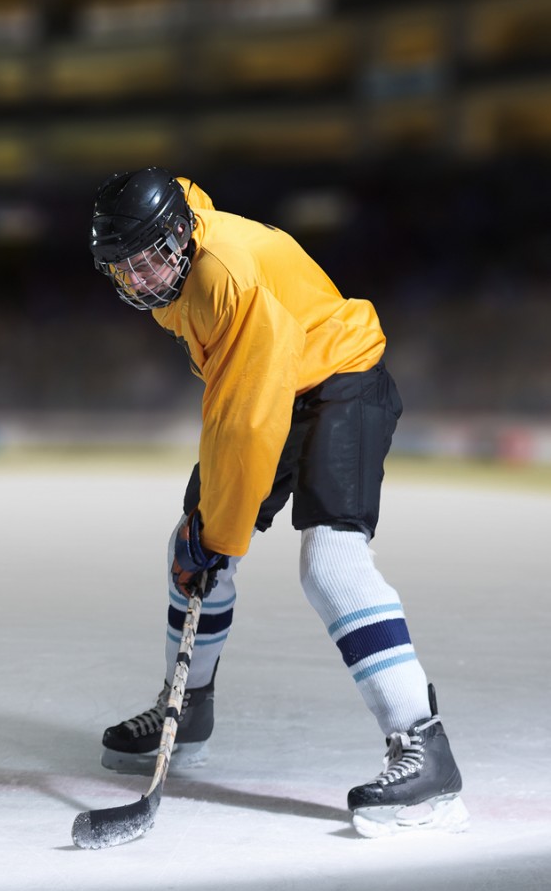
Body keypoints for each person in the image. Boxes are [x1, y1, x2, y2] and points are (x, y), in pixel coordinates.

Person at [88, 167, 468, 838]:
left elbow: (249, 421)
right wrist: (205, 528)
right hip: (288, 384)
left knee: (330, 562)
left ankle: (425, 749)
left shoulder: (225, 276)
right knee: (189, 543)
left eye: (150, 260)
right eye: (127, 269)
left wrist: (218, 533)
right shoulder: (184, 266)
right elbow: (235, 404)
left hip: (341, 379)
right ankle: (187, 708)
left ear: (180, 235)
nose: (142, 280)